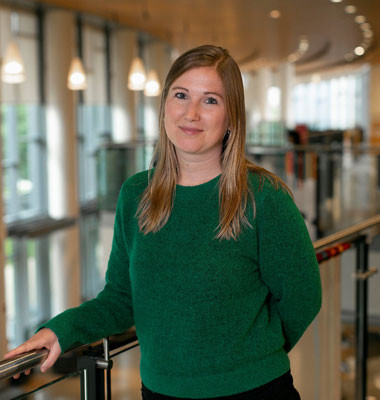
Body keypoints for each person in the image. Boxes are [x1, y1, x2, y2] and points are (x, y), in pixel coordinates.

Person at [5, 45, 322, 399]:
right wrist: (61, 330)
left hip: (254, 390)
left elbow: (303, 297)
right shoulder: (136, 194)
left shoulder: (263, 197)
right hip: (160, 392)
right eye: (181, 95)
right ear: (164, 105)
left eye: (211, 100)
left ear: (232, 116)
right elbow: (122, 298)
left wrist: (251, 357)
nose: (191, 113)